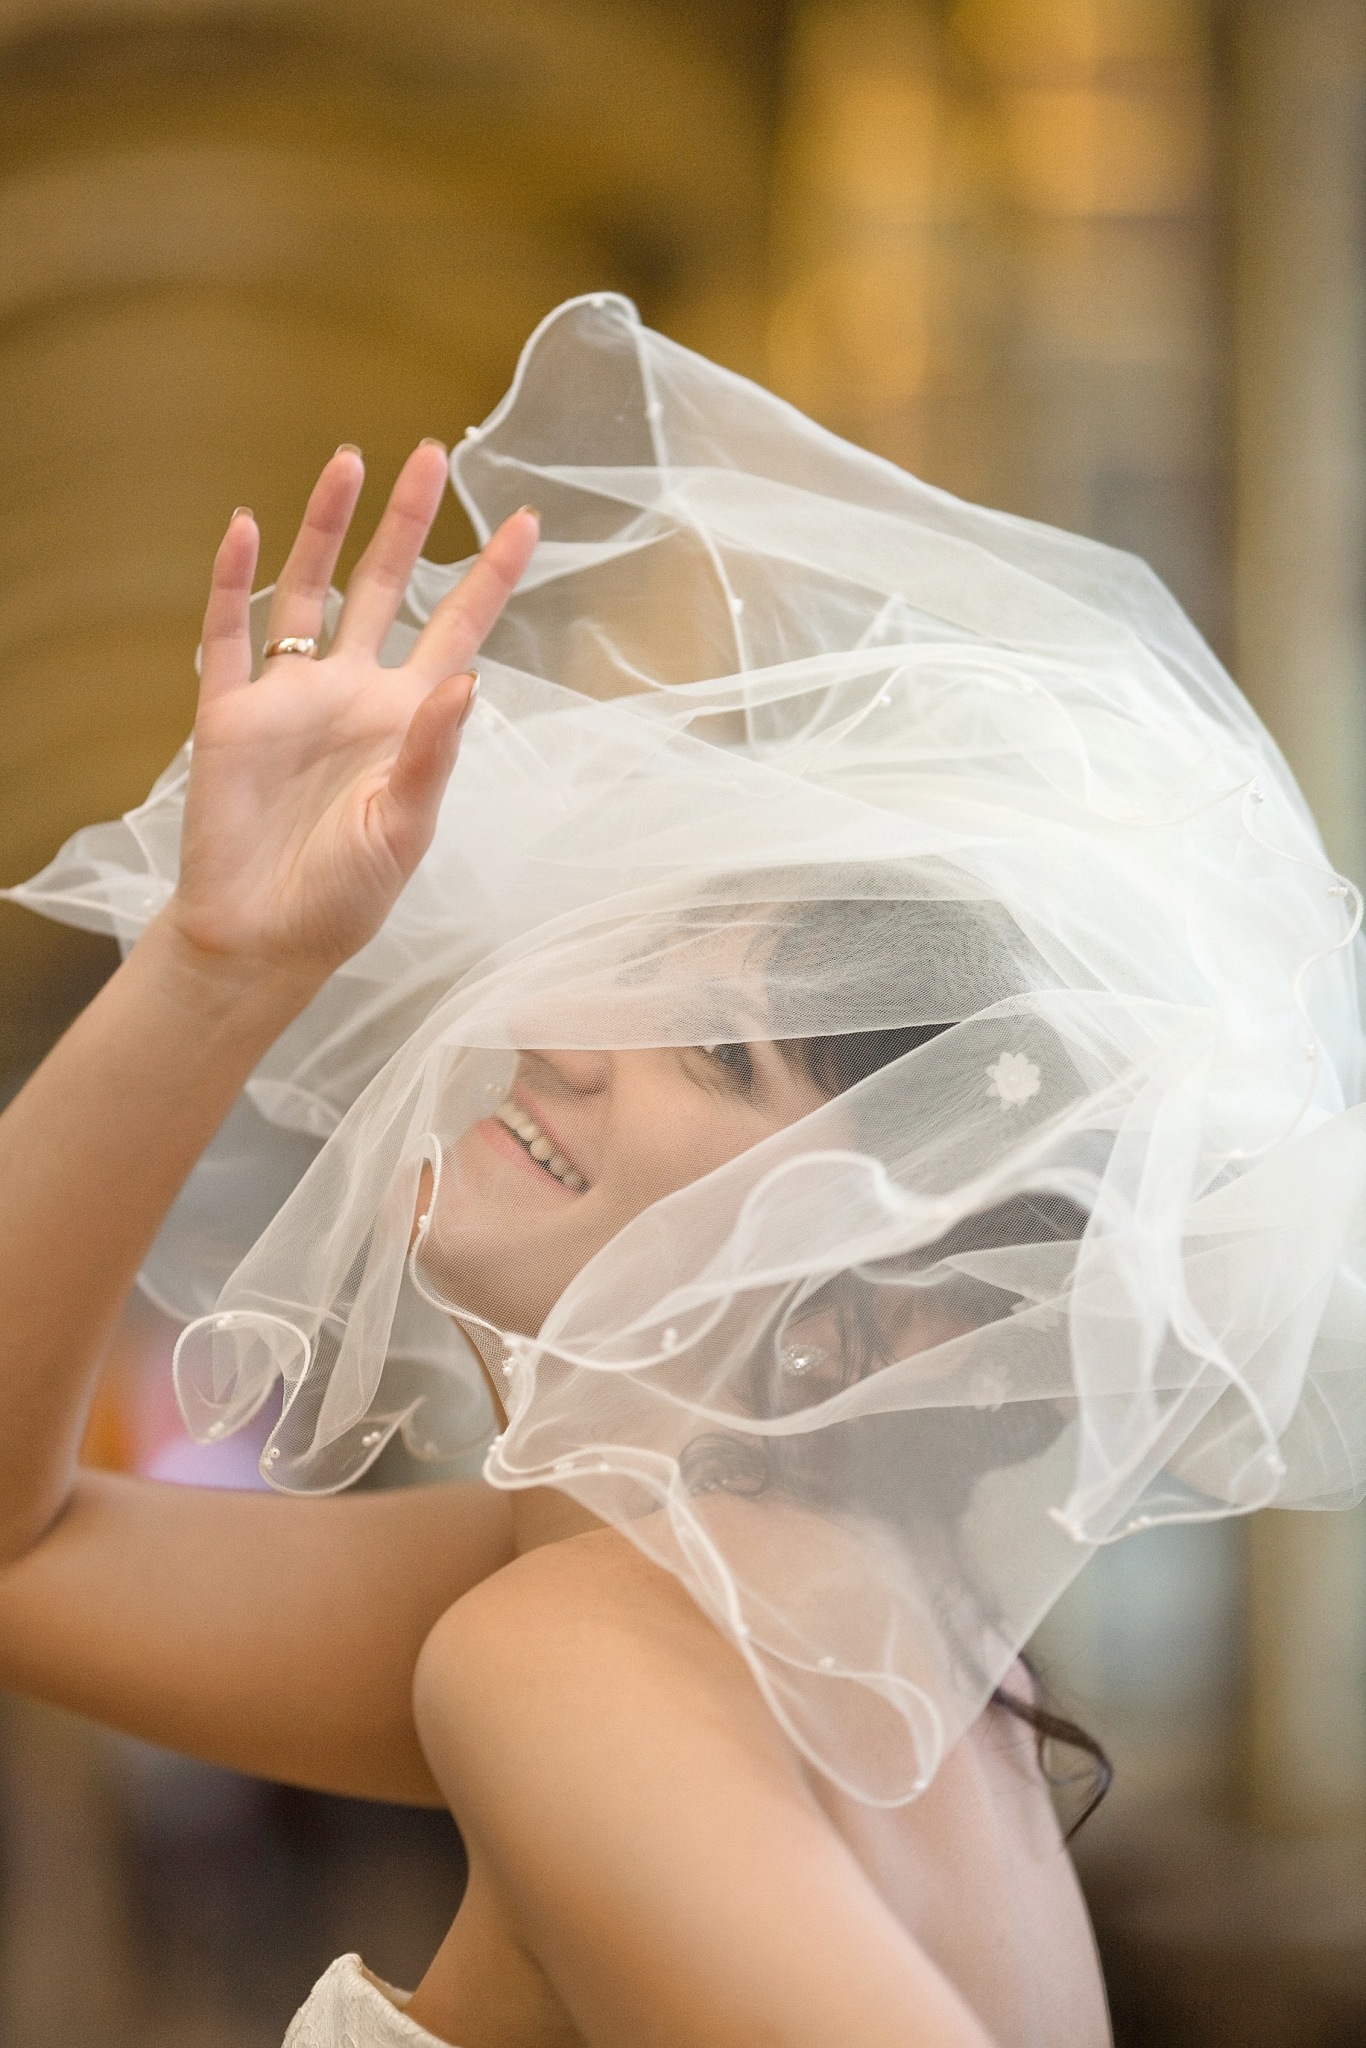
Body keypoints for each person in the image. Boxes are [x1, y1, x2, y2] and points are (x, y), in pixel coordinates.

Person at [3, 295, 1363, 2047]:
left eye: (715, 1055)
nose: (566, 1039)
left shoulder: (575, 1649)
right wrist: (218, 960)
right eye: (640, 980)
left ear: (901, 1307)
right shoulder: (784, 1638)